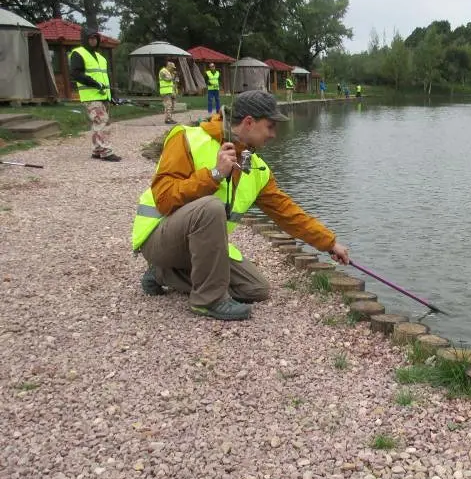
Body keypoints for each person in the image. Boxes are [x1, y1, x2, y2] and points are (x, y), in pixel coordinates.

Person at [130, 90, 350, 321]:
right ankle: (208, 300)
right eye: (270, 126)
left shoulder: (256, 168)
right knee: (211, 207)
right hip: (159, 239)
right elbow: (164, 198)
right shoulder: (187, 138)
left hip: (200, 249)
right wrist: (214, 175)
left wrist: (329, 242)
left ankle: (163, 273)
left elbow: (287, 213)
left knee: (255, 289)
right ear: (248, 122)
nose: (274, 134)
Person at [69, 26, 121, 162]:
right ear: (85, 39)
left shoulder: (100, 58)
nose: (93, 41)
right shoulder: (78, 53)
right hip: (91, 96)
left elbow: (106, 77)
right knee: (102, 122)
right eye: (90, 38)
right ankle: (106, 151)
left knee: (98, 124)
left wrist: (112, 94)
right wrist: (94, 83)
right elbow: (76, 74)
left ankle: (97, 150)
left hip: (104, 95)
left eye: (95, 38)